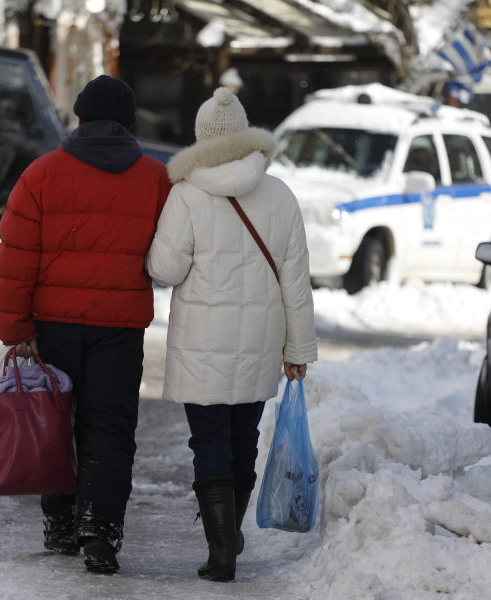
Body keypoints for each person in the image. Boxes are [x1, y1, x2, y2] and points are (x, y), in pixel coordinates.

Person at [0, 75, 172, 574]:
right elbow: (167, 255)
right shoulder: (156, 178)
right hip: (120, 327)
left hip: (52, 325)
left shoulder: (42, 174)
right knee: (110, 428)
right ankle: (101, 531)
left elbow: (15, 259)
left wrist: (17, 328)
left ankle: (60, 525)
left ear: (79, 117)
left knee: (55, 422)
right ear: (130, 123)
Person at [146, 87, 317, 581]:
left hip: (202, 342)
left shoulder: (185, 194)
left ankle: (221, 549)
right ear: (244, 137)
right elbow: (296, 282)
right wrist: (298, 348)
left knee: (209, 441)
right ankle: (231, 535)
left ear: (202, 137)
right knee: (243, 438)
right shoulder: (280, 194)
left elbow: (165, 269)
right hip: (262, 342)